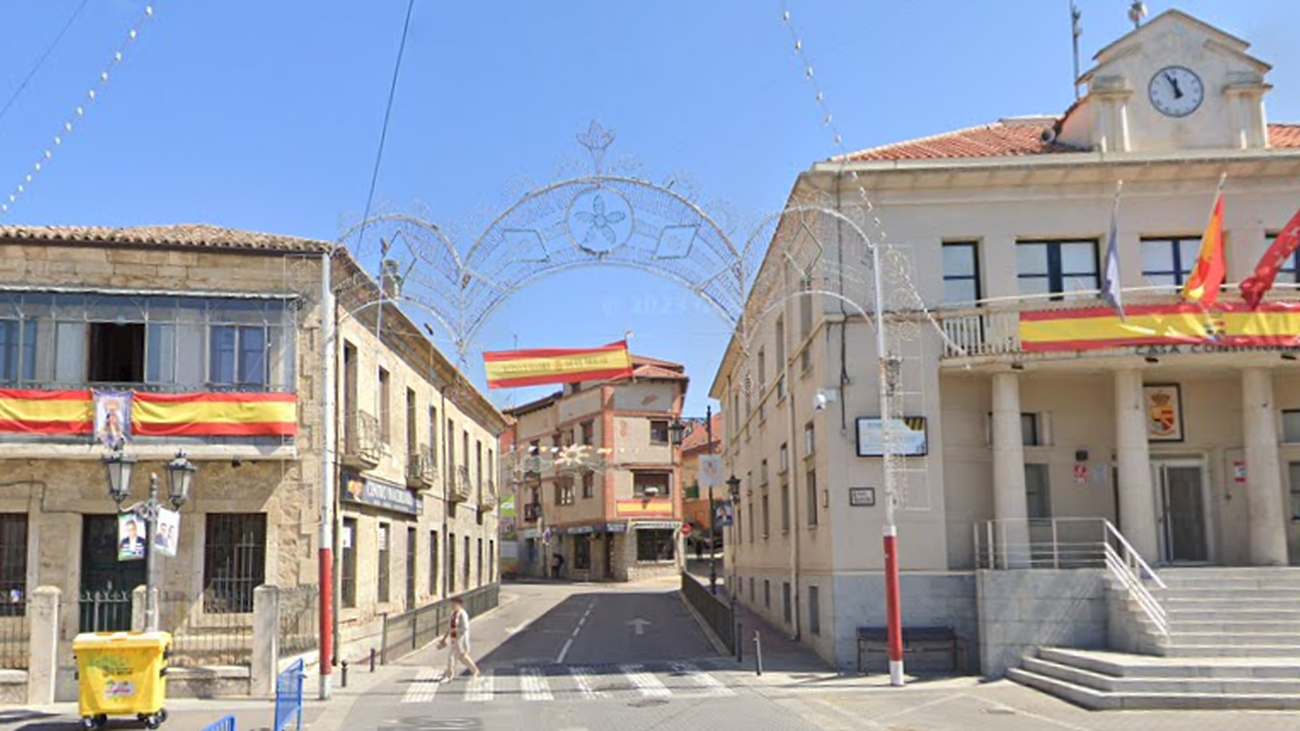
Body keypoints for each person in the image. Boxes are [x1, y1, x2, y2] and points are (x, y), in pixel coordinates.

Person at [437, 596, 480, 682]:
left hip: (461, 640)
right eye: (452, 604)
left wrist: (455, 629)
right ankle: (475, 671)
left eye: (454, 604)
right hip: (454, 639)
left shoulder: (463, 614)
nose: (452, 606)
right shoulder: (453, 614)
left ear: (459, 604)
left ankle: (449, 675)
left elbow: (465, 628)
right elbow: (449, 627)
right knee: (463, 658)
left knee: (451, 657)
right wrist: (444, 638)